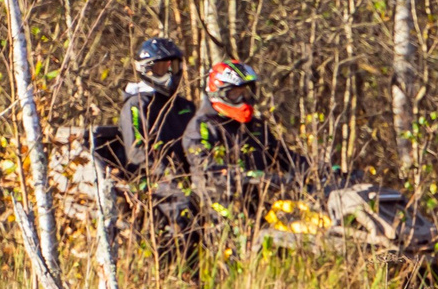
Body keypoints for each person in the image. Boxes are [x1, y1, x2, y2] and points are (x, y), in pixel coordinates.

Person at [184, 59, 306, 205]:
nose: (243, 99)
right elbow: (206, 168)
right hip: (216, 210)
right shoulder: (202, 127)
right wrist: (247, 176)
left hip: (257, 207)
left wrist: (318, 169)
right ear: (219, 93)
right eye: (235, 93)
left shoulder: (255, 126)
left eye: (246, 93)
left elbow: (284, 156)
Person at [118, 36, 194, 182]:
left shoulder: (185, 106)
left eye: (173, 67)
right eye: (161, 68)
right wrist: (168, 175)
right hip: (155, 183)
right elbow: (137, 153)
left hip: (189, 181)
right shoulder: (137, 104)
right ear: (147, 69)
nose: (170, 74)